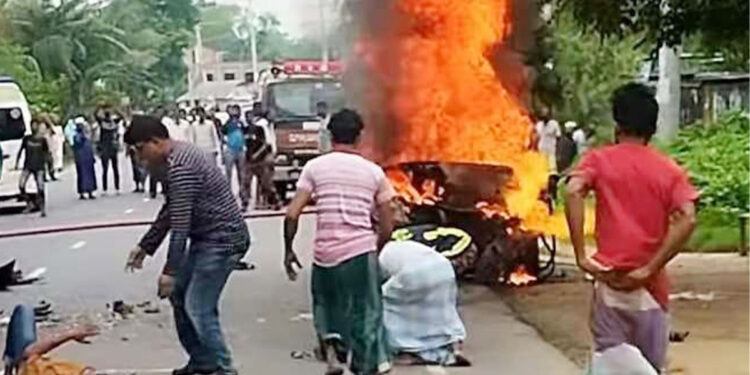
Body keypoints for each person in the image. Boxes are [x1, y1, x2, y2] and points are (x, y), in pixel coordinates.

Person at [564, 83, 699, 375]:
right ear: (652, 127)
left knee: (609, 361)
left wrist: (581, 256)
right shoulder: (669, 170)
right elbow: (688, 218)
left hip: (610, 283)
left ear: (617, 123)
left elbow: (573, 191)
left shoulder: (598, 160)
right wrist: (650, 267)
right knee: (650, 367)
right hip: (651, 289)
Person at [124, 115, 250, 375]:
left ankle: (225, 369)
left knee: (198, 306)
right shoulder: (174, 160)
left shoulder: (181, 165)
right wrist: (146, 246)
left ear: (156, 141)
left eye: (140, 150)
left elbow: (180, 223)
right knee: (180, 295)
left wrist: (169, 271)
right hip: (207, 238)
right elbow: (171, 210)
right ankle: (203, 362)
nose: (140, 158)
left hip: (223, 239)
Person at [284, 109, 394, 375]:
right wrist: (376, 248)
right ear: (360, 137)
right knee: (366, 313)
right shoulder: (374, 172)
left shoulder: (314, 167)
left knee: (326, 307)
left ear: (330, 136)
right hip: (360, 250)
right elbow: (388, 221)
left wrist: (288, 250)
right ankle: (364, 367)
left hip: (325, 252)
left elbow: (291, 214)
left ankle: (333, 355)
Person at [379, 240, 470, 367]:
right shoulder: (401, 245)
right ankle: (452, 343)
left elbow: (376, 285)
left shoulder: (377, 256)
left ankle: (408, 349)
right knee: (442, 308)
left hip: (413, 273)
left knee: (384, 306)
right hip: (444, 268)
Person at [3, 305, 100, 375]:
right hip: (30, 359)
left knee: (24, 310)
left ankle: (8, 365)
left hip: (24, 360)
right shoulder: (80, 371)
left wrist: (70, 334)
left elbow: (29, 352)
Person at [15, 119, 50, 217]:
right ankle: (29, 203)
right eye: (32, 125)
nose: (34, 127)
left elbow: (47, 153)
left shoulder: (42, 140)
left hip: (39, 166)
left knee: (40, 187)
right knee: (21, 185)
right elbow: (21, 150)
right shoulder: (27, 139)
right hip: (28, 165)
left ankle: (42, 208)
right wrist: (17, 163)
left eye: (36, 125)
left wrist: (48, 166)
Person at [95, 109, 121, 194]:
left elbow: (95, 115)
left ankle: (104, 189)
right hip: (113, 147)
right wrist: (115, 108)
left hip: (104, 148)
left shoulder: (102, 123)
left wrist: (100, 107)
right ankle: (117, 188)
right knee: (115, 168)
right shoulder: (114, 123)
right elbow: (121, 116)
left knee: (105, 169)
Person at [221, 105, 245, 192]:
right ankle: (228, 191)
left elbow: (246, 133)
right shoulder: (227, 124)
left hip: (240, 150)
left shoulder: (241, 123)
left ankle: (242, 191)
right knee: (228, 173)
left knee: (241, 173)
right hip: (230, 150)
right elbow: (222, 134)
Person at [72, 118, 97, 200]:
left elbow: (90, 147)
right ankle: (83, 192)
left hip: (87, 157)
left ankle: (89, 191)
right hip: (81, 158)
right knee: (82, 175)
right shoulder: (77, 136)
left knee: (88, 174)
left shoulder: (86, 136)